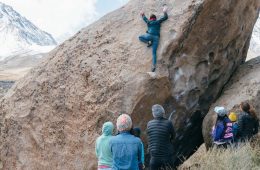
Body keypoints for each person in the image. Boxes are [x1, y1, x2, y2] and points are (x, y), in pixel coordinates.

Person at [139, 6, 168, 72]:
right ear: (155, 18)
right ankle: (154, 66)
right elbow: (165, 17)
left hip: (149, 36)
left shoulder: (149, 22)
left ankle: (148, 42)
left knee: (140, 37)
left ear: (150, 18)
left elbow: (144, 18)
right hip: (156, 38)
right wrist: (164, 11)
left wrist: (142, 13)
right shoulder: (158, 21)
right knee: (154, 53)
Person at [146, 104, 175, 170]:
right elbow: (173, 136)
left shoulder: (149, 124)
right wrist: (169, 141)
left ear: (153, 114)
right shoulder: (168, 123)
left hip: (154, 158)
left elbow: (150, 138)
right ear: (163, 113)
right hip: (166, 156)